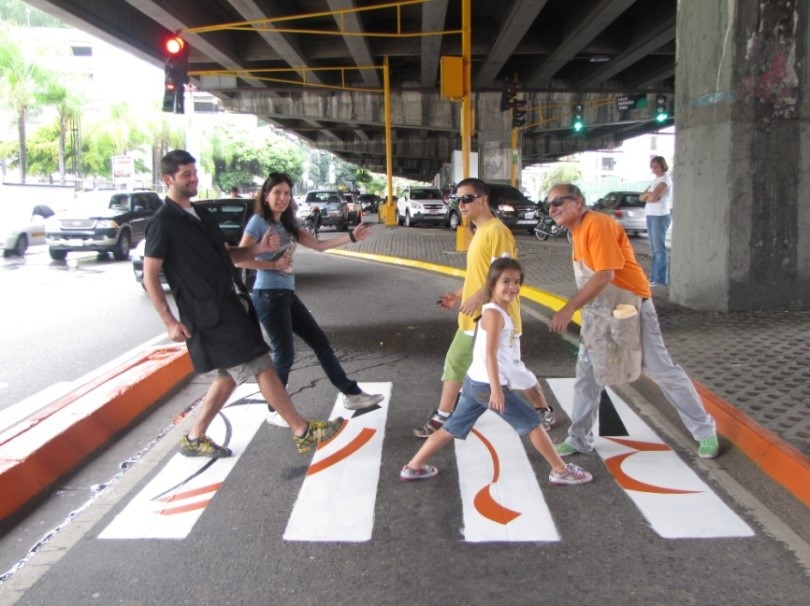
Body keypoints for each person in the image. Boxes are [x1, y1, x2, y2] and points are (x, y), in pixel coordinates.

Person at [143, 151, 343, 457]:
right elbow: (151, 275)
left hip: (230, 302)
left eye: (194, 172)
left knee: (228, 375)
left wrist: (259, 249)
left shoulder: (201, 215)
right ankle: (302, 431)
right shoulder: (163, 222)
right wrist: (169, 321)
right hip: (208, 313)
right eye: (186, 175)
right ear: (168, 179)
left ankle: (194, 439)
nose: (194, 178)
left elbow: (230, 256)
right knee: (261, 363)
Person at [546, 183, 719, 459]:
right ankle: (579, 438)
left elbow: (605, 275)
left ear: (577, 202)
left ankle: (704, 430)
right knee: (587, 377)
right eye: (549, 205)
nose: (553, 208)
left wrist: (568, 309)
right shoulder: (577, 233)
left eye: (558, 202)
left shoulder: (597, 225)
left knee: (661, 369)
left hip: (631, 308)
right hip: (599, 313)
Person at [401, 258, 592, 485]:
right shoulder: (493, 314)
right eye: (506, 281)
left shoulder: (498, 310)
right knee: (532, 422)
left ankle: (413, 467)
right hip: (486, 385)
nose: (512, 287)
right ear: (492, 285)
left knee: (451, 427)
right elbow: (489, 354)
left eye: (516, 282)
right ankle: (560, 471)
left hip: (474, 383)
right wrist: (496, 390)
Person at [235, 172, 383, 427]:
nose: (282, 198)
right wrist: (272, 265)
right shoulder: (258, 223)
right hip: (267, 296)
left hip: (286, 295)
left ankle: (352, 394)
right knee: (285, 354)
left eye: (286, 193)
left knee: (320, 342)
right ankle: (275, 410)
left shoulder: (290, 224)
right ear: (266, 195)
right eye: (277, 193)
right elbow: (238, 258)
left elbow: (319, 246)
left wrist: (351, 237)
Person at [412, 178, 556, 439]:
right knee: (455, 363)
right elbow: (478, 274)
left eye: (466, 198)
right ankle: (443, 417)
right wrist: (458, 295)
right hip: (474, 318)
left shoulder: (497, 232)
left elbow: (505, 276)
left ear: (482, 199)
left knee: (514, 372)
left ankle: (543, 409)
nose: (461, 204)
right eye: (457, 200)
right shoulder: (479, 232)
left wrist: (477, 299)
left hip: (497, 320)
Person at [639, 156, 672, 286]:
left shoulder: (665, 180)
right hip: (651, 215)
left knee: (659, 249)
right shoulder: (655, 181)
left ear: (662, 165)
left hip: (659, 216)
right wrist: (649, 196)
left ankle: (660, 279)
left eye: (655, 166)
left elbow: (652, 197)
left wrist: (650, 196)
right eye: (652, 166)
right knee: (653, 249)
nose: (653, 168)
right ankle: (654, 277)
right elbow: (642, 197)